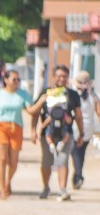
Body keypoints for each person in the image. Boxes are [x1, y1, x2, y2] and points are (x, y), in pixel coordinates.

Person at [28, 64, 85, 201]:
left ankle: (62, 189)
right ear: (53, 77)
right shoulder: (45, 92)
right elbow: (35, 113)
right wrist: (33, 130)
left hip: (66, 133)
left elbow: (78, 115)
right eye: (59, 76)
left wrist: (81, 133)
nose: (62, 79)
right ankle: (46, 187)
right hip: (47, 133)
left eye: (65, 76)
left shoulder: (72, 95)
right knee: (46, 162)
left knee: (63, 160)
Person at [0, 69, 31, 199]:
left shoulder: (23, 94)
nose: (16, 82)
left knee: (13, 162)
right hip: (0, 127)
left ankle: (8, 182)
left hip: (16, 127)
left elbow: (30, 110)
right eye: (14, 79)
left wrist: (41, 101)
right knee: (2, 159)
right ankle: (2, 189)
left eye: (18, 79)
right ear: (6, 80)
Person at [71, 71, 100, 189]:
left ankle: (78, 176)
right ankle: (77, 176)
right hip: (89, 127)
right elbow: (99, 112)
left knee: (75, 152)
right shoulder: (93, 95)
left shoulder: (73, 94)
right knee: (81, 152)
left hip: (75, 127)